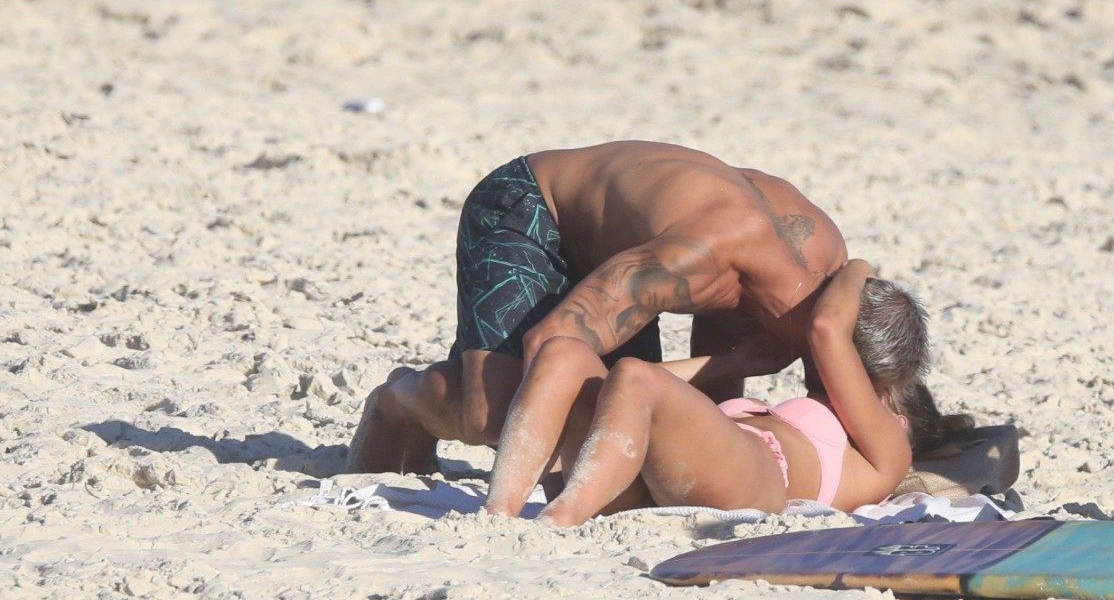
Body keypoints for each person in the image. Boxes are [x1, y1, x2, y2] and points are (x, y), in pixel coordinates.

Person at [347, 141, 927, 475]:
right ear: (826, 344)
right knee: (499, 414)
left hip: (622, 254)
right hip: (533, 211)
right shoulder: (695, 263)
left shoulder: (817, 261)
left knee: (606, 428)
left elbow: (709, 403)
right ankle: (399, 401)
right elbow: (552, 349)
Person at [484, 260, 970, 524]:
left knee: (635, 374)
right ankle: (498, 512)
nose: (859, 387)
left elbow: (827, 329)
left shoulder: (887, 452)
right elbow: (630, 399)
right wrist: (733, 365)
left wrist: (857, 267)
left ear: (899, 417)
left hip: (754, 481)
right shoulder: (803, 417)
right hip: (652, 475)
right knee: (564, 354)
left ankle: (563, 518)